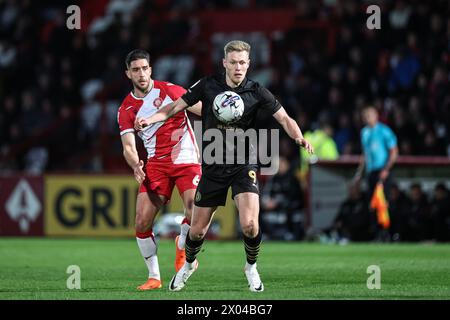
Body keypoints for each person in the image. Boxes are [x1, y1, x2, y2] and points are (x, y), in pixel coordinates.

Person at [135, 40, 313, 292]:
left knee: (250, 224)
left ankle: (251, 267)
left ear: (248, 64)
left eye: (242, 63)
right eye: (233, 62)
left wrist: (298, 136)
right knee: (196, 232)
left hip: (243, 164)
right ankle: (188, 264)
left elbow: (284, 117)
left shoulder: (256, 90)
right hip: (213, 167)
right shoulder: (208, 86)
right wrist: (149, 119)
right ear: (224, 63)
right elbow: (174, 108)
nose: (238, 67)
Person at [117, 49, 202, 290]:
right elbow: (128, 147)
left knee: (195, 209)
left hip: (186, 159)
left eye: (145, 68)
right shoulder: (126, 109)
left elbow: (204, 110)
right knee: (142, 221)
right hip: (155, 164)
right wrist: (135, 165)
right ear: (128, 74)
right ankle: (154, 277)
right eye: (136, 70)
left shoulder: (171, 91)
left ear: (150, 69)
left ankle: (182, 244)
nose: (141, 74)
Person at [354, 105, 398, 240]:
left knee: (384, 202)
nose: (366, 119)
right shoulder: (364, 133)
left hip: (382, 171)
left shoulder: (384, 131)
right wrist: (359, 174)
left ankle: (388, 232)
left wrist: (386, 169)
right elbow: (365, 154)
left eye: (369, 116)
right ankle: (377, 233)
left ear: (376, 116)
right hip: (371, 172)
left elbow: (394, 152)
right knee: (372, 203)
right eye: (364, 117)